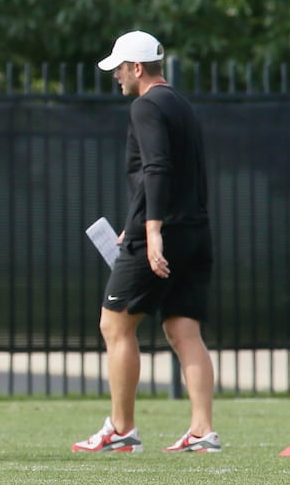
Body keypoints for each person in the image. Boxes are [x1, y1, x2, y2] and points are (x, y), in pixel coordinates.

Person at [73, 31, 219, 455]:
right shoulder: (180, 104)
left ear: (137, 68)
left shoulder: (145, 105)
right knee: (182, 328)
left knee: (114, 323)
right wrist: (135, 221)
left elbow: (157, 168)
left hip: (164, 232)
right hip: (195, 229)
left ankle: (121, 429)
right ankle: (202, 430)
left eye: (119, 68)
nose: (117, 77)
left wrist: (150, 231)